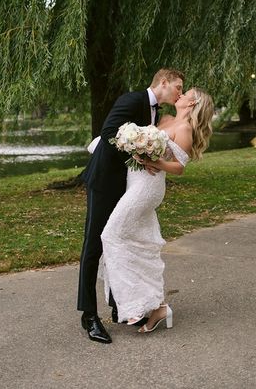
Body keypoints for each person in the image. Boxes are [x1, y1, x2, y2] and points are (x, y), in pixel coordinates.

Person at [77, 68, 185, 344]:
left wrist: (146, 157)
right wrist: (141, 152)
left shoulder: (156, 113)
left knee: (120, 242)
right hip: (104, 181)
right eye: (178, 87)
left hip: (126, 185)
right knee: (94, 246)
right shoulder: (132, 100)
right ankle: (89, 315)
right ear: (163, 82)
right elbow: (110, 133)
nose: (180, 93)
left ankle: (118, 305)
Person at [100, 87, 214, 334]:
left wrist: (154, 161)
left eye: (186, 94)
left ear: (192, 103)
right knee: (138, 243)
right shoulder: (165, 119)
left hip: (148, 188)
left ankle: (134, 305)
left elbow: (179, 167)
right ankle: (157, 307)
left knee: (111, 235)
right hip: (134, 181)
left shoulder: (183, 129)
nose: (180, 95)